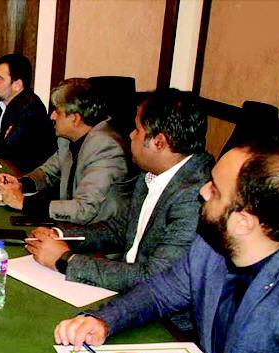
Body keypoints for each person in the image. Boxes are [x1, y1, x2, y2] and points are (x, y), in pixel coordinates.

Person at [54, 142, 279, 353]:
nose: (203, 191)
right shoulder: (211, 247)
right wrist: (104, 320)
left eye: (215, 190)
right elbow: (160, 292)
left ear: (244, 222)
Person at [27, 89, 213, 292]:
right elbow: (119, 229)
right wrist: (61, 234)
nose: (131, 135)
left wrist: (66, 260)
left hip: (154, 305)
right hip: (129, 287)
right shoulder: (152, 174)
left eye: (137, 130)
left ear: (159, 142)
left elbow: (155, 278)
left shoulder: (194, 196)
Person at [0, 78, 129, 225]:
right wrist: (21, 184)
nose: (52, 116)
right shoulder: (67, 139)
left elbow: (85, 209)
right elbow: (49, 173)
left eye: (57, 112)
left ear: (75, 118)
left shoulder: (105, 146)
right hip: (74, 225)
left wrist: (23, 203)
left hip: (100, 232)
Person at [0, 54, 56, 173]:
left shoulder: (31, 110)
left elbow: (7, 153)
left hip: (26, 177)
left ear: (17, 85)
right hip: (0, 171)